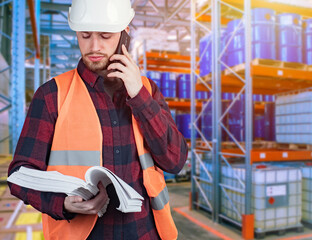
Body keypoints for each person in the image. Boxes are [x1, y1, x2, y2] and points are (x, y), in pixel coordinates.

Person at [7, 0, 188, 239]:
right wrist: (63, 203)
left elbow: (175, 161)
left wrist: (139, 97)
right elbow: (20, 175)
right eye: (85, 35)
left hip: (145, 232)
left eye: (105, 35)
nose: (94, 46)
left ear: (125, 35)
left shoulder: (147, 90)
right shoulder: (52, 95)